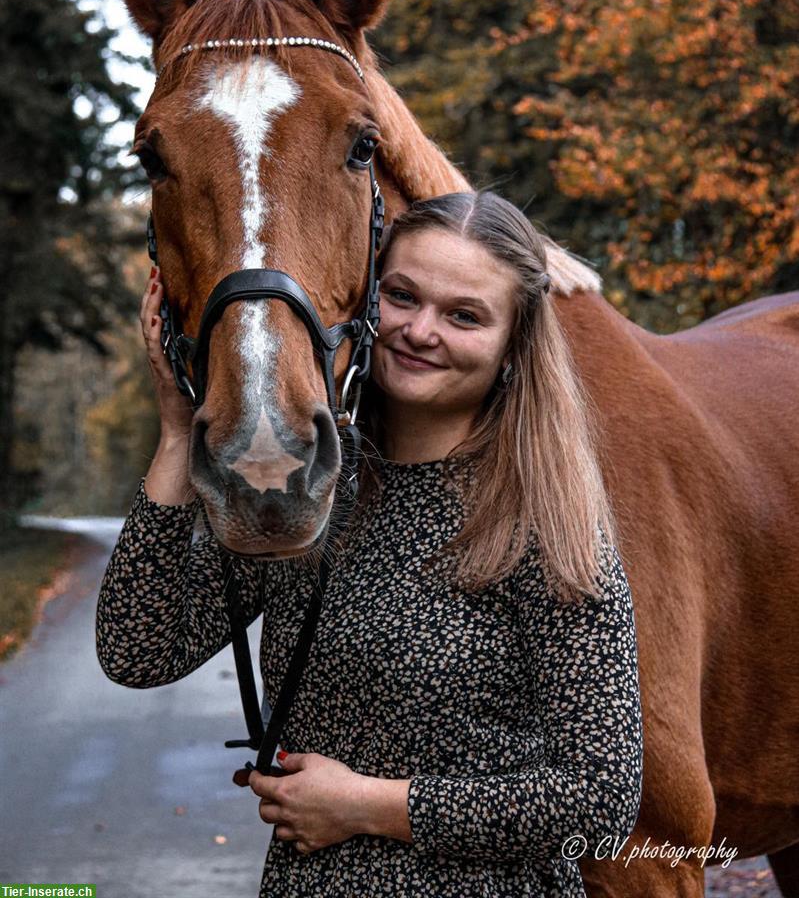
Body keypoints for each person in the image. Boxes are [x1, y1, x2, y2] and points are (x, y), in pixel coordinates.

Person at [96, 190, 644, 897]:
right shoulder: (312, 491)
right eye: (401, 296)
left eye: (463, 315)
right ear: (363, 300)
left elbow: (598, 800)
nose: (419, 331)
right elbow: (139, 651)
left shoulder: (545, 524)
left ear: (512, 348)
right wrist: (177, 432)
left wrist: (371, 806)